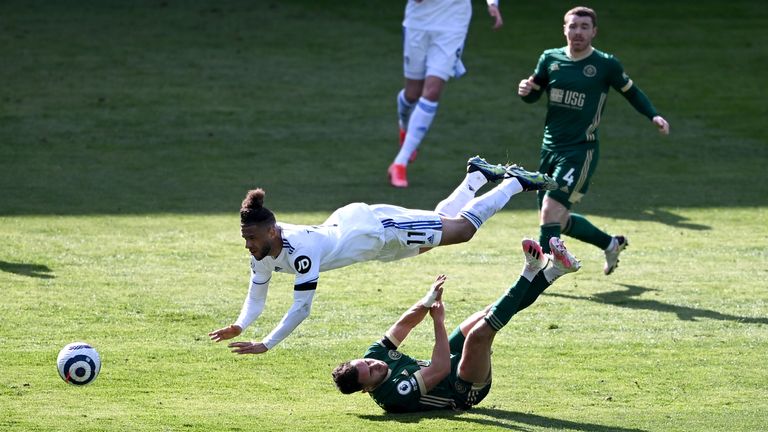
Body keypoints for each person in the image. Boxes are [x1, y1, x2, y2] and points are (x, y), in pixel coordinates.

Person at [209, 156, 557, 355]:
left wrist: (267, 344)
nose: (247, 245)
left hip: (378, 228)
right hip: (371, 244)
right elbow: (257, 295)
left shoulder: (302, 252)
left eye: (251, 237)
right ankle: (477, 176)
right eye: (245, 238)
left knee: (461, 231)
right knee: (434, 238)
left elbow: (301, 308)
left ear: (271, 231)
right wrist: (241, 324)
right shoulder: (262, 249)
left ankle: (513, 182)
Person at [331, 237, 580, 412]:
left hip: (449, 364)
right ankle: (530, 270)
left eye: (365, 362)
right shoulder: (395, 395)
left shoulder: (374, 355)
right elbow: (439, 370)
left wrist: (427, 300)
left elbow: (403, 325)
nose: (375, 364)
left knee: (484, 314)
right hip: (462, 389)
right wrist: (438, 321)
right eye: (371, 372)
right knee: (479, 335)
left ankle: (555, 270)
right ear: (367, 390)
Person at [517, 6, 670, 275]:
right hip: (549, 149)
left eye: (584, 27)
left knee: (549, 213)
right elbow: (533, 94)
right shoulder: (549, 59)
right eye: (573, 26)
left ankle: (539, 274)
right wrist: (526, 91)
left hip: (579, 151)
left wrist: (653, 116)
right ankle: (611, 244)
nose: (578, 32)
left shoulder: (605, 64)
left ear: (594, 32)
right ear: (564, 29)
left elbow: (632, 93)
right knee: (557, 220)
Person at [388, 0, 504, 188]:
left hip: (453, 23)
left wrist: (492, 3)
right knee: (412, 93)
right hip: (419, 22)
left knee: (432, 91)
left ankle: (399, 163)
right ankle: (404, 126)